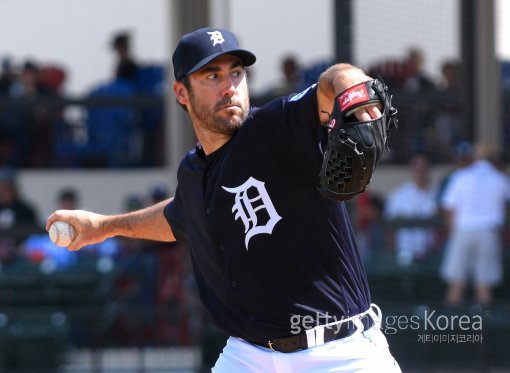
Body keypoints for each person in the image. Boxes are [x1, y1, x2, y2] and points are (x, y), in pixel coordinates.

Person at [47, 27, 401, 372]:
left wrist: (350, 90)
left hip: (339, 351)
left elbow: (334, 81)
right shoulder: (193, 172)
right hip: (248, 355)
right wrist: (104, 226)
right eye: (211, 76)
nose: (229, 86)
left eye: (236, 73)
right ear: (181, 92)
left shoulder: (275, 129)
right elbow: (177, 218)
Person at [440, 143, 510, 307]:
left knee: (456, 285)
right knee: (484, 287)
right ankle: (484, 330)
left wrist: (452, 232)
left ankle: (450, 329)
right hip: (488, 233)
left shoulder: (461, 176)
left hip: (463, 232)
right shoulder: (499, 177)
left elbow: (448, 207)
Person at [384, 154, 438, 266]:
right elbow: (390, 229)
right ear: (412, 169)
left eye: (424, 168)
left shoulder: (436, 194)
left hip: (429, 254)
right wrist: (391, 252)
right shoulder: (400, 194)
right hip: (404, 253)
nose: (420, 172)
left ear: (429, 170)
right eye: (417, 168)